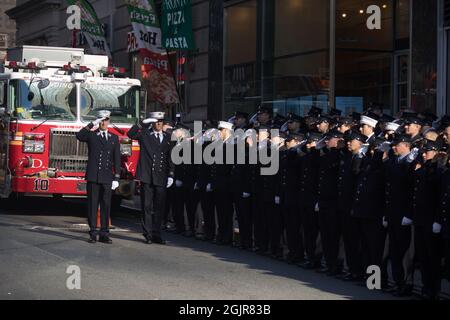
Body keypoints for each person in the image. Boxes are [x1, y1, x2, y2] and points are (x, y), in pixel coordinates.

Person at [128, 112, 175, 245]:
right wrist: (143, 122)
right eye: (156, 121)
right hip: (147, 175)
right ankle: (148, 233)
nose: (159, 124)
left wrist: (171, 174)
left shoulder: (167, 137)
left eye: (161, 121)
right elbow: (130, 134)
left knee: (160, 207)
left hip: (161, 175)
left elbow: (170, 157)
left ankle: (157, 233)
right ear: (152, 123)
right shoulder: (145, 134)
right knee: (147, 206)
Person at [76, 110, 121, 244]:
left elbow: (117, 159)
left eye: (105, 120)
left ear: (109, 121)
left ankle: (104, 233)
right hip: (93, 176)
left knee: (106, 206)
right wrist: (92, 124)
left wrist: (117, 178)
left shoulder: (114, 138)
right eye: (101, 120)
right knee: (92, 205)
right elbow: (79, 135)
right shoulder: (92, 135)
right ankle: (93, 232)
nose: (103, 123)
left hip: (107, 177)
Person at [383, 134, 416, 296]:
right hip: (393, 213)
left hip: (404, 214)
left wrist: (409, 214)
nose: (394, 147)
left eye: (397, 145)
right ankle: (398, 282)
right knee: (394, 250)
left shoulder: (410, 163)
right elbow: (389, 190)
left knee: (404, 252)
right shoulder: (394, 162)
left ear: (406, 145)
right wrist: (386, 214)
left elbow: (411, 191)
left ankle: (406, 283)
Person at [412, 140, 442, 299]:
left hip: (431, 220)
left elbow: (439, 197)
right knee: (423, 255)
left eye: (427, 152)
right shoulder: (422, 168)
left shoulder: (437, 170)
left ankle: (433, 289)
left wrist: (437, 219)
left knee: (432, 257)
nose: (424, 155)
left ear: (436, 152)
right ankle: (425, 286)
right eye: (423, 152)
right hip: (420, 219)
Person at [317, 129, 345, 276]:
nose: (326, 142)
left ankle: (335, 265)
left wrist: (336, 149)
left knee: (334, 236)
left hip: (334, 202)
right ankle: (329, 264)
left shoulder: (339, 155)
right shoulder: (327, 155)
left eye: (330, 139)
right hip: (324, 201)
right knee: (326, 235)